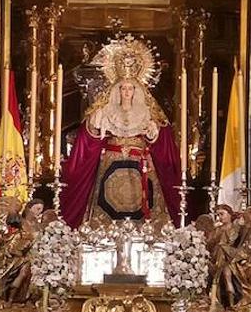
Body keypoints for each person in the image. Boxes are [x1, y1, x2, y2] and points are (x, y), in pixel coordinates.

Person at [58, 38, 182, 227]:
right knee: (108, 200)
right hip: (112, 160)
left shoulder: (147, 111)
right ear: (117, 89)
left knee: (143, 201)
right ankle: (103, 231)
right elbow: (90, 134)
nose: (126, 92)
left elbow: (159, 136)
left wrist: (153, 132)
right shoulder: (106, 109)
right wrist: (95, 124)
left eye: (130, 88)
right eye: (123, 88)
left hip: (140, 163)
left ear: (136, 90)